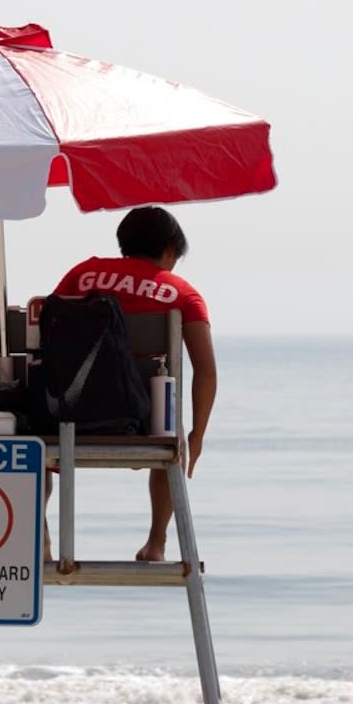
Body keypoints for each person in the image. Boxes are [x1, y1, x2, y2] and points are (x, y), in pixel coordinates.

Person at [52, 206, 217, 561]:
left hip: (70, 413)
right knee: (172, 433)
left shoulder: (83, 274)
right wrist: (196, 438)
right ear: (170, 251)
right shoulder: (181, 293)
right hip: (145, 422)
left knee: (32, 442)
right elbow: (206, 371)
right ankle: (156, 543)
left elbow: (47, 331)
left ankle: (45, 541)